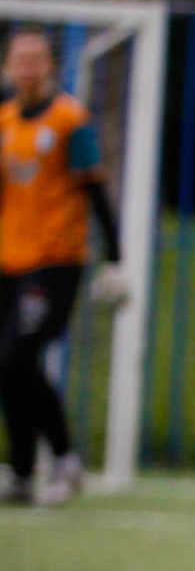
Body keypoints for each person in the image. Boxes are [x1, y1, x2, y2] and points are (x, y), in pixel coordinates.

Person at [1, 28, 126, 505]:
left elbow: (95, 190)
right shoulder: (5, 120)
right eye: (20, 60)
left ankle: (64, 458)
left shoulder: (72, 120)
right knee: (9, 367)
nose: (28, 68)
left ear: (50, 66)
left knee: (17, 357)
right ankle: (23, 472)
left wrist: (115, 258)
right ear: (9, 67)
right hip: (8, 259)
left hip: (56, 261)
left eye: (37, 60)